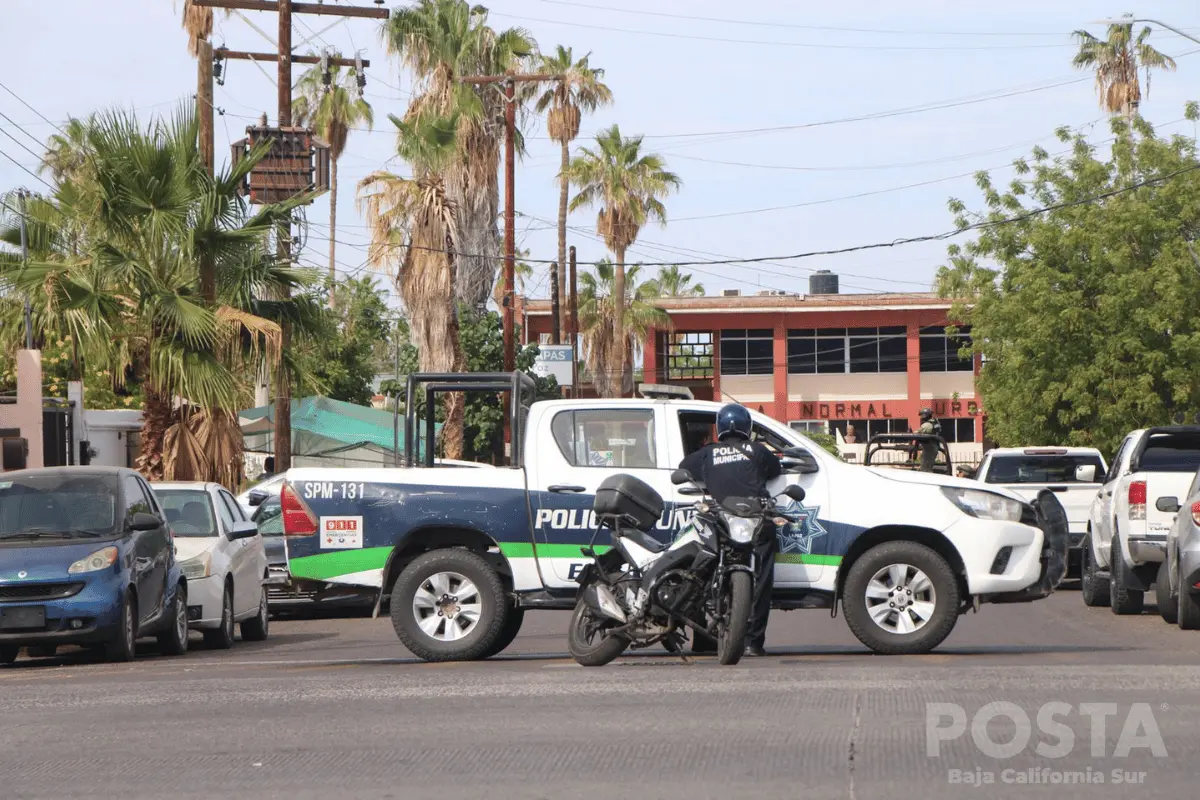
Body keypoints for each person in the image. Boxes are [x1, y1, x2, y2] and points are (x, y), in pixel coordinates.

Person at [678, 403, 782, 657]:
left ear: (720, 428)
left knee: (700, 574)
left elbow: (683, 466)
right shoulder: (757, 450)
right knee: (762, 579)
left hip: (722, 525)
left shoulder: (707, 454)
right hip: (755, 523)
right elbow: (776, 470)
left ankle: (704, 639)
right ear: (747, 427)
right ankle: (753, 642)